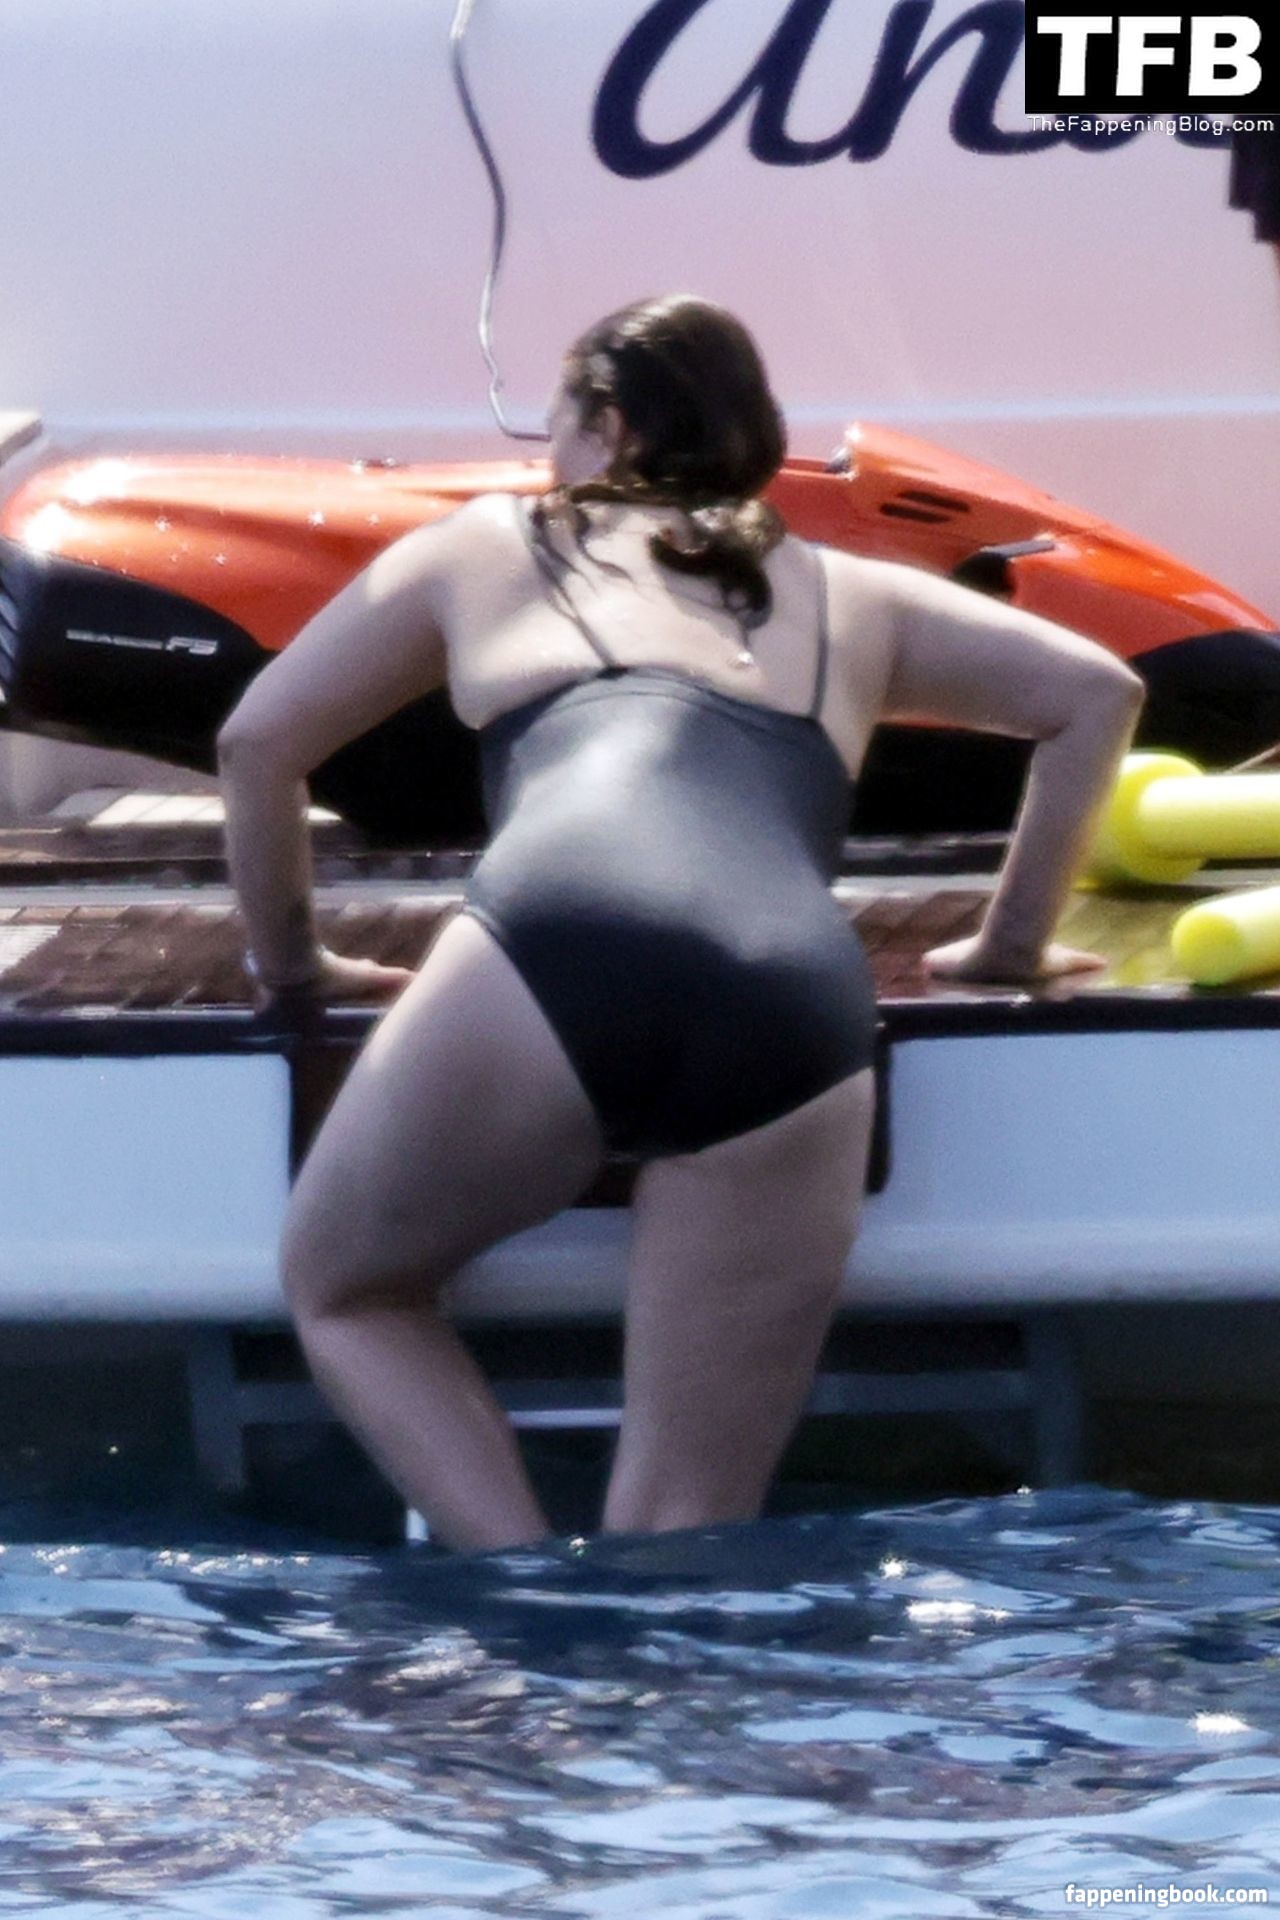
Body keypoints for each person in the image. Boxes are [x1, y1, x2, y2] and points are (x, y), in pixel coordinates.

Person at [217, 295, 1143, 1553]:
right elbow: (1096, 693)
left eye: (555, 424)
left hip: (555, 932)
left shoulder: (485, 543)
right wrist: (1005, 950)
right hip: (786, 990)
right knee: (689, 1533)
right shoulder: (851, 595)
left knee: (346, 1289)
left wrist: (294, 966)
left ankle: (517, 1582)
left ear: (605, 425)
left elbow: (257, 743)